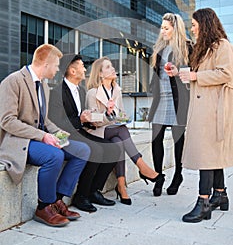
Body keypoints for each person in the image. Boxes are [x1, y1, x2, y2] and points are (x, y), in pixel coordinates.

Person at [0, 44, 91, 227]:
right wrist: (42, 136)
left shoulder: (43, 85)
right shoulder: (13, 81)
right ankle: (43, 207)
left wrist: (57, 132)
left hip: (39, 138)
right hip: (19, 140)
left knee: (82, 150)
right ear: (46, 64)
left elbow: (44, 119)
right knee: (54, 155)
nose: (58, 69)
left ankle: (57, 200)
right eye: (56, 65)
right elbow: (7, 121)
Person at [85, 57, 163, 205]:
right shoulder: (92, 93)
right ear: (100, 74)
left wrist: (122, 117)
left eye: (112, 66)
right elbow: (93, 120)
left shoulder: (117, 90)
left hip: (114, 131)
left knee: (118, 141)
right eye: (108, 67)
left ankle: (121, 186)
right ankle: (142, 166)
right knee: (121, 130)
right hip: (98, 132)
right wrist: (108, 116)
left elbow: (120, 113)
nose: (113, 68)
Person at [48, 54, 120, 213]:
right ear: (72, 71)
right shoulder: (57, 92)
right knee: (95, 149)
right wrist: (80, 119)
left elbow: (84, 119)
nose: (85, 69)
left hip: (80, 132)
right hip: (64, 135)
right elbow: (55, 123)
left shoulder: (81, 90)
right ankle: (81, 196)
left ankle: (93, 191)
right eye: (81, 66)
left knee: (114, 149)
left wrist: (102, 115)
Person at [180, 8, 233, 223]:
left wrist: (195, 75)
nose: (192, 29)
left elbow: (227, 73)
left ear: (205, 23)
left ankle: (203, 202)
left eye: (194, 24)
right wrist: (182, 74)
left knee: (206, 153)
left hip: (214, 108)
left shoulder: (222, 45)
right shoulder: (205, 48)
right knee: (211, 152)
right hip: (203, 106)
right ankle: (220, 193)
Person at [148, 13, 193, 196]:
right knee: (156, 138)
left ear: (176, 28)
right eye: (162, 27)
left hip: (179, 100)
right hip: (161, 99)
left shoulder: (187, 47)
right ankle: (158, 176)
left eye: (166, 28)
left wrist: (179, 71)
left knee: (178, 141)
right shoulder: (160, 48)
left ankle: (178, 175)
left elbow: (194, 71)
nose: (163, 31)